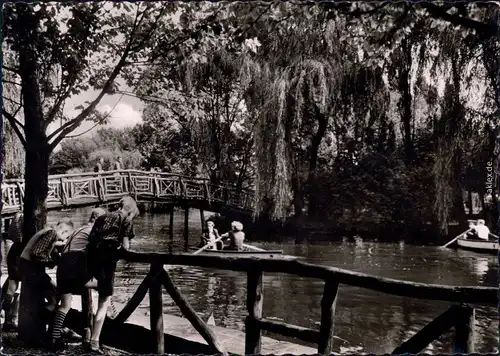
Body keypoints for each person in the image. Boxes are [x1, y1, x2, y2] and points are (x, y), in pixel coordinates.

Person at [86, 196, 139, 354]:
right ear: (130, 210)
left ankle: (87, 331)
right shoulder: (126, 220)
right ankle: (94, 340)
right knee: (104, 300)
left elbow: (91, 238)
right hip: (107, 262)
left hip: (92, 260)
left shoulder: (102, 216)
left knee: (92, 290)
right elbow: (126, 247)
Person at [50, 208, 107, 351]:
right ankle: (96, 335)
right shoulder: (93, 231)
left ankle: (54, 337)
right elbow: (98, 251)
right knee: (104, 286)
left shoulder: (79, 229)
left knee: (65, 305)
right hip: (74, 267)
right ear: (99, 220)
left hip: (63, 267)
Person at [18, 220, 74, 334]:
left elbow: (41, 250)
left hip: (28, 267)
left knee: (54, 294)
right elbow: (36, 253)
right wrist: (52, 262)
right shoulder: (52, 233)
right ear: (65, 231)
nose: (62, 240)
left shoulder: (48, 230)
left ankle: (47, 326)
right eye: (65, 237)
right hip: (31, 269)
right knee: (55, 295)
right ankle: (44, 327)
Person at [1, 212, 23, 332]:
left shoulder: (17, 216)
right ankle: (10, 320)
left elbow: (12, 234)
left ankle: (8, 319)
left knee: (12, 287)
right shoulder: (23, 216)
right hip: (19, 250)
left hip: (15, 250)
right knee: (14, 289)